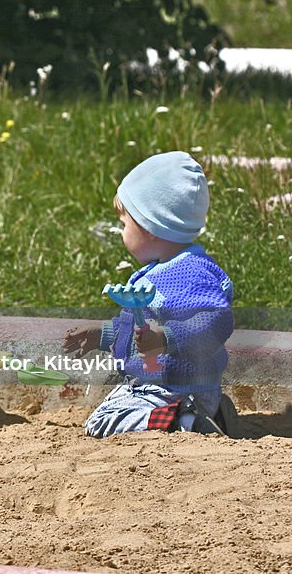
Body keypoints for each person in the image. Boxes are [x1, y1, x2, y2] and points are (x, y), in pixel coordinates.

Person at [63, 151, 234, 437]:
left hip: (172, 389)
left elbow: (215, 321)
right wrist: (103, 334)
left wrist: (166, 339)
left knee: (101, 421)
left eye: (124, 224)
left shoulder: (189, 273)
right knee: (111, 407)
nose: (122, 232)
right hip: (171, 387)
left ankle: (182, 421)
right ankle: (207, 415)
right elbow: (141, 330)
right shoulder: (166, 270)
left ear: (150, 227)